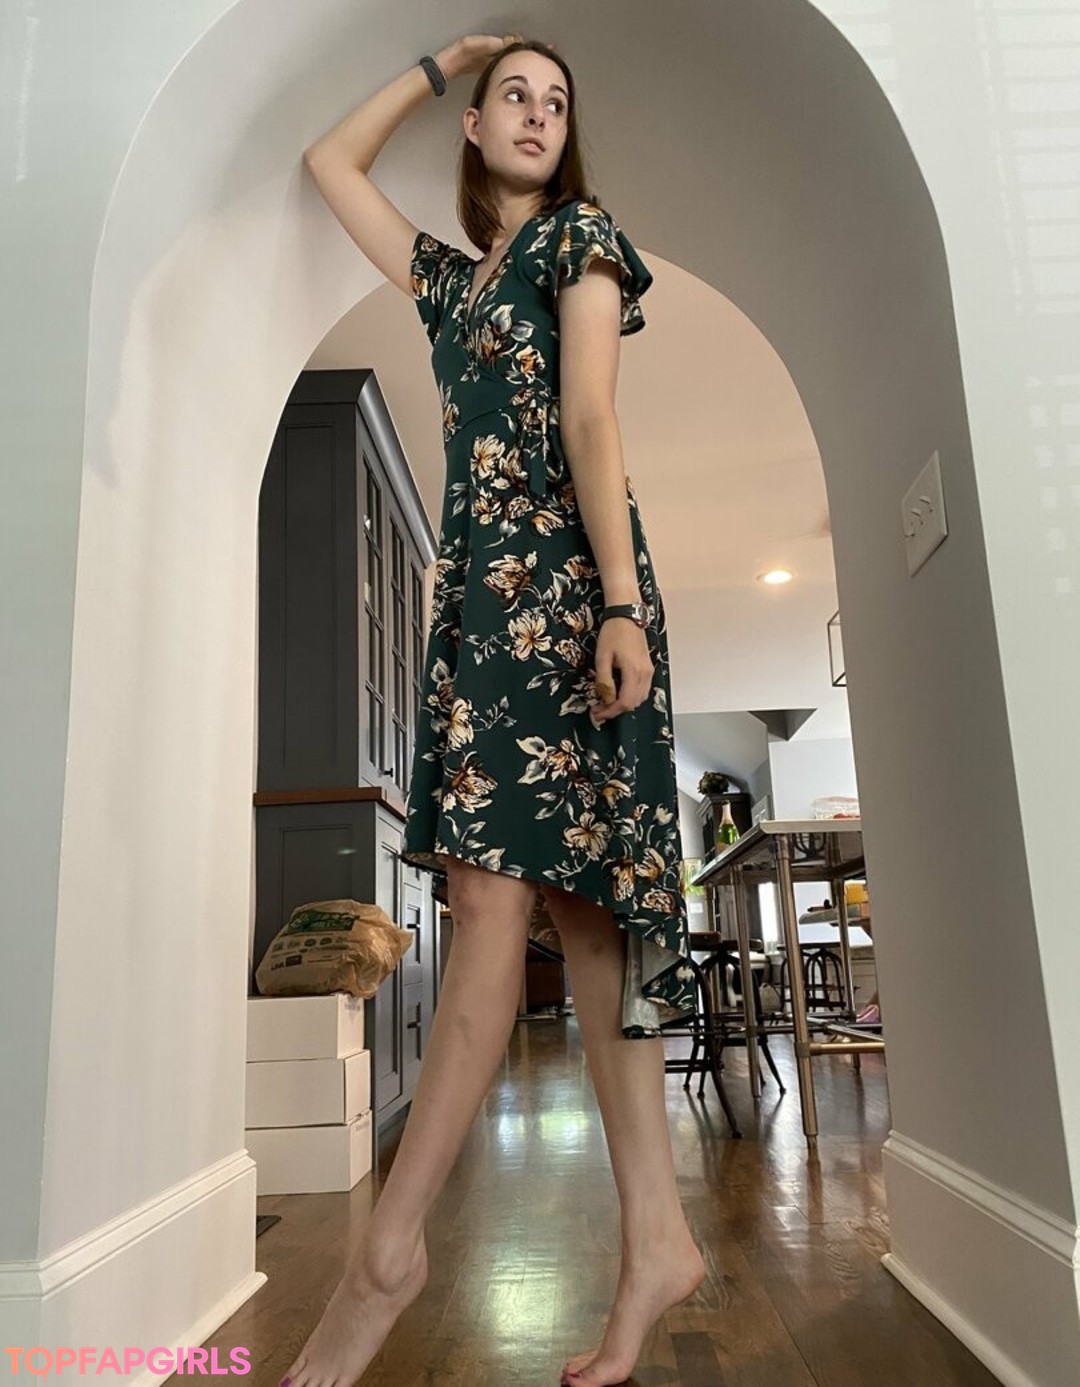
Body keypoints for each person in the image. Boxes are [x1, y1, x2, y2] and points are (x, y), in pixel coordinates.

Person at [283, 35, 704, 1387]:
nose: (536, 113)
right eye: (513, 96)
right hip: (483, 620)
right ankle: (657, 1239)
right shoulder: (447, 282)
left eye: (556, 101)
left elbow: (592, 422)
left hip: (573, 606)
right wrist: (434, 64)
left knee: (525, 914)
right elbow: (330, 163)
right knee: (565, 919)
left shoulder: (580, 238)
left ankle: (385, 1255)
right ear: (474, 126)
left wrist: (622, 609)